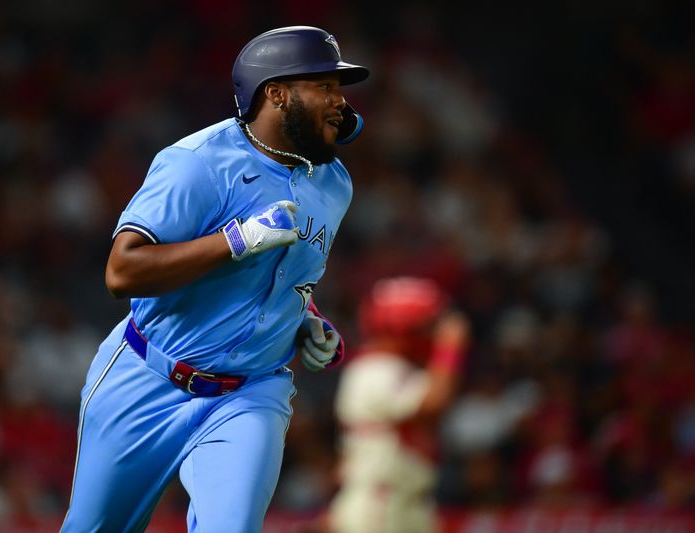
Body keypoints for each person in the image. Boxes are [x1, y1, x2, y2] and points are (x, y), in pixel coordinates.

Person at [60, 26, 369, 533]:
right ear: (277, 93)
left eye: (340, 89)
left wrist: (307, 321)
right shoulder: (197, 164)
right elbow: (122, 271)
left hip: (251, 392)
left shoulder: (334, 184)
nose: (341, 102)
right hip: (149, 377)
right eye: (326, 87)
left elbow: (289, 278)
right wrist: (233, 241)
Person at [328, 277, 470, 533]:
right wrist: (451, 348)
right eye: (427, 327)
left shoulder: (388, 367)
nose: (433, 334)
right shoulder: (373, 369)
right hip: (380, 506)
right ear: (403, 329)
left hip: (404, 503)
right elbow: (433, 402)